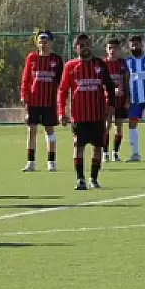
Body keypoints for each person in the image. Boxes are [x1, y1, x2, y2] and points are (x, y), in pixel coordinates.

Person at [57, 34, 117, 190]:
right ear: (75, 48)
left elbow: (109, 86)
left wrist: (110, 108)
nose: (84, 47)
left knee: (98, 147)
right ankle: (80, 179)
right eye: (81, 45)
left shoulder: (99, 65)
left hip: (97, 115)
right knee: (78, 146)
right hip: (79, 116)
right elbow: (62, 91)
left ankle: (94, 178)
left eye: (87, 44)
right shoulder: (70, 66)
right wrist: (61, 112)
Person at [20, 30, 63, 172]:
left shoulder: (56, 60)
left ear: (50, 43)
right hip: (33, 102)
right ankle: (30, 162)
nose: (43, 44)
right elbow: (25, 80)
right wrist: (24, 99)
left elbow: (61, 83)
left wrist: (61, 104)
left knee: (49, 130)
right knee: (31, 130)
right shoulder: (31, 58)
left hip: (49, 102)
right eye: (40, 42)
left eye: (45, 42)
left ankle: (51, 161)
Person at [102, 38, 128, 163]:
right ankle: (105, 153)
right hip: (107, 100)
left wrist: (127, 98)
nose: (112, 50)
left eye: (115, 48)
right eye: (110, 48)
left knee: (119, 126)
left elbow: (127, 81)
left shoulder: (123, 63)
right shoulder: (102, 64)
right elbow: (99, 83)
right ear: (106, 49)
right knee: (106, 126)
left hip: (120, 100)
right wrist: (111, 91)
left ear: (118, 50)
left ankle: (115, 153)